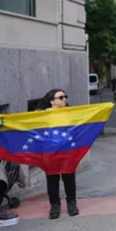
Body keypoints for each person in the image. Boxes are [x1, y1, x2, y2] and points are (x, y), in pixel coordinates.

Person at [36, 89, 79, 219]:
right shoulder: (42, 115)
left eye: (65, 96)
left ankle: (71, 204)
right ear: (51, 101)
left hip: (67, 151)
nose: (64, 99)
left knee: (69, 178)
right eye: (60, 97)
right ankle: (55, 205)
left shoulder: (70, 113)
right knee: (52, 180)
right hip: (50, 152)